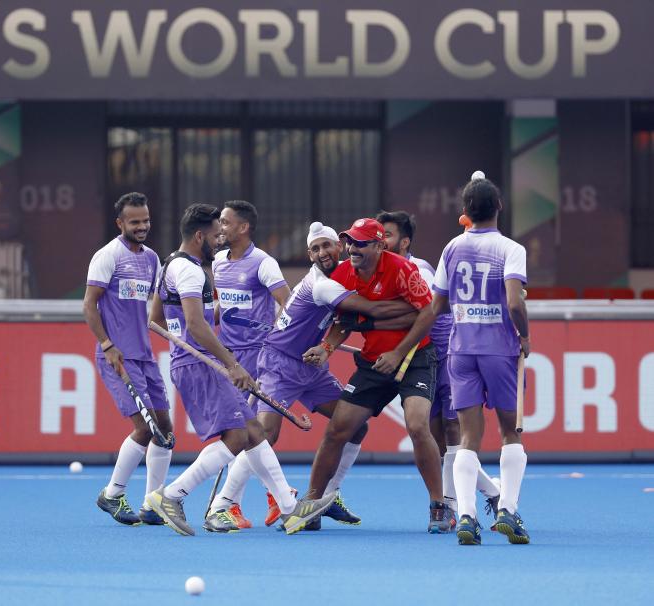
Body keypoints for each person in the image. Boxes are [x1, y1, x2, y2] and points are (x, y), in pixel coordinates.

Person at [146, 203, 306, 535]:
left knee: (253, 431)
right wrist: (232, 364)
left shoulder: (168, 265)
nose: (219, 241)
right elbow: (196, 324)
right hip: (200, 365)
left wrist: (190, 332)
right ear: (199, 235)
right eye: (215, 235)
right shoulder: (191, 271)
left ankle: (290, 509)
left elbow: (157, 319)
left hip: (195, 361)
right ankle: (172, 495)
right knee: (236, 437)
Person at [283, 218, 443, 535]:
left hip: (414, 359)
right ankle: (313, 503)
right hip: (372, 363)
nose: (352, 249)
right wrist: (327, 347)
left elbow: (427, 313)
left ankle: (439, 506)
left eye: (361, 243)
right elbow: (343, 321)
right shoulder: (343, 274)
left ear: (380, 246)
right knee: (338, 429)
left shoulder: (403, 270)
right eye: (351, 242)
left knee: (416, 425)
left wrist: (398, 353)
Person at [377, 210, 501, 532]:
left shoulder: (417, 268)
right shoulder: (380, 272)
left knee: (450, 430)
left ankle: (450, 507)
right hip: (425, 356)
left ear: (404, 241)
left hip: (447, 352)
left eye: (387, 235)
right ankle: (492, 491)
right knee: (433, 438)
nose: (381, 241)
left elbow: (427, 314)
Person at [430, 171, 531, 546]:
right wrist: (525, 334)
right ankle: (507, 508)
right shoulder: (510, 249)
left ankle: (468, 517)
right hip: (499, 350)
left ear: (465, 211)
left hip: (461, 350)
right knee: (511, 431)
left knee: (469, 437)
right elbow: (514, 301)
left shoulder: (451, 248)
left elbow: (438, 303)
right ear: (499, 207)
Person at [83, 192, 173, 526]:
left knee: (165, 429)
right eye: (134, 222)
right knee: (145, 427)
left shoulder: (151, 259)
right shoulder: (107, 256)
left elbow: (157, 305)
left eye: (145, 220)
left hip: (145, 356)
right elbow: (88, 305)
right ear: (120, 223)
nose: (142, 226)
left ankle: (154, 504)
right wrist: (107, 344)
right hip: (117, 357)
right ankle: (112, 494)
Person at [209, 200, 291, 528]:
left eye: (226, 223)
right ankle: (269, 498)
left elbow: (287, 305)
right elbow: (222, 306)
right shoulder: (216, 262)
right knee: (241, 431)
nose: (220, 229)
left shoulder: (263, 263)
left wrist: (279, 340)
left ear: (243, 227)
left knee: (251, 431)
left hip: (259, 359)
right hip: (229, 360)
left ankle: (238, 503)